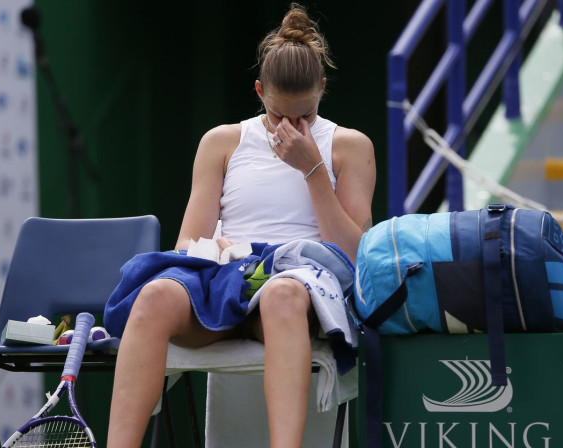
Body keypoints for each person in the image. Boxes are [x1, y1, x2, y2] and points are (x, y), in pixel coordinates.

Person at [106, 3, 375, 447]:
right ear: (258, 91)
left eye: (304, 117)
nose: (291, 127)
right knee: (154, 295)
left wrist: (313, 171)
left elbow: (354, 255)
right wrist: (216, 245)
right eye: (278, 116)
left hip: (296, 281)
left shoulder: (349, 146)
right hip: (226, 276)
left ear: (323, 90)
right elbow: (187, 243)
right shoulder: (222, 141)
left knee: (284, 295)